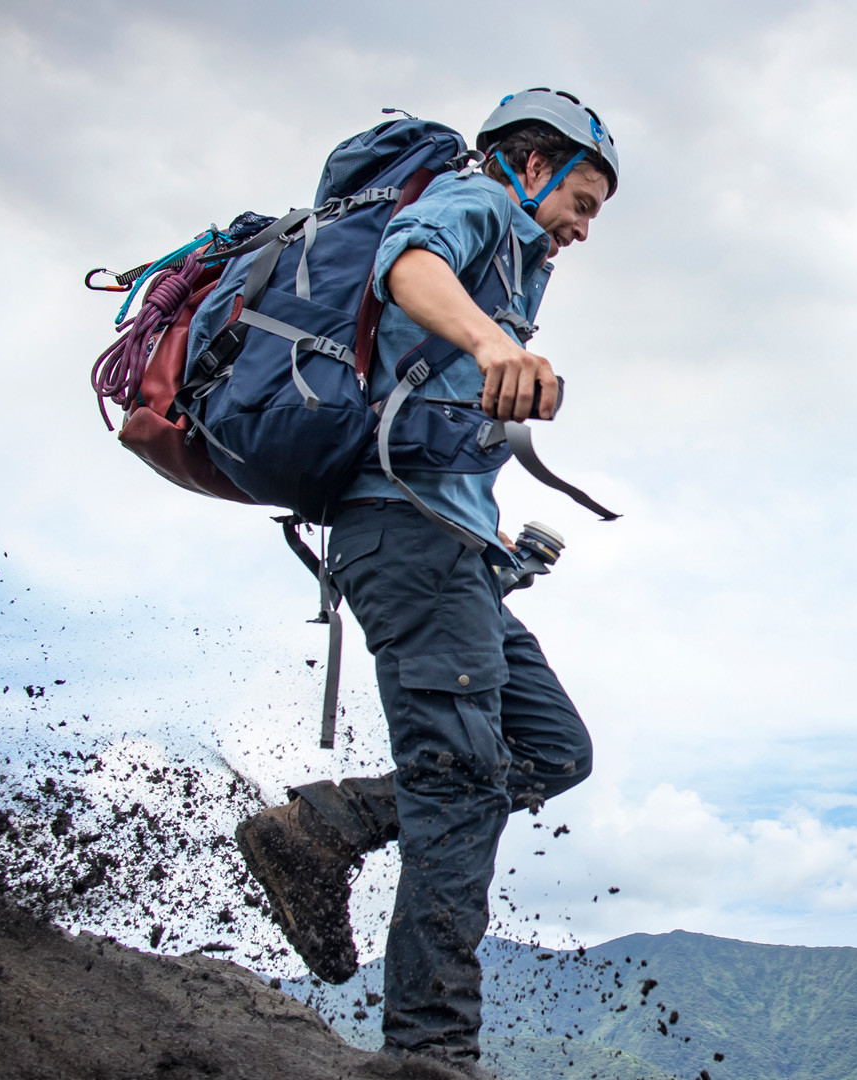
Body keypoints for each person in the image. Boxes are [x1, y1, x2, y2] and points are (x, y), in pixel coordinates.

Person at [233, 88, 618, 1076]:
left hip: (455, 554)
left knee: (551, 749)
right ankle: (431, 1055)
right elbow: (408, 262)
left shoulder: (511, 255)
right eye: (583, 196)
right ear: (533, 164)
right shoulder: (477, 198)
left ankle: (330, 825)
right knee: (457, 779)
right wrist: (496, 343)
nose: (584, 225)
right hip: (405, 535)